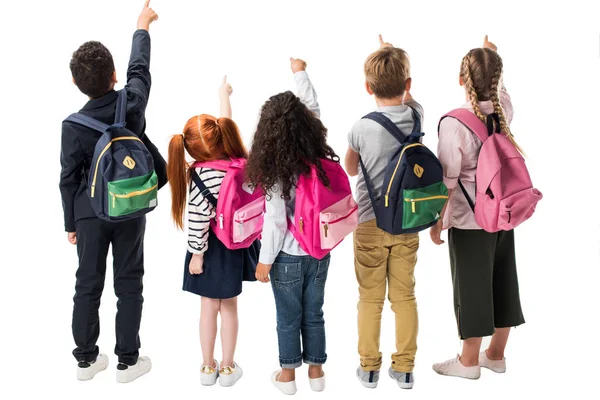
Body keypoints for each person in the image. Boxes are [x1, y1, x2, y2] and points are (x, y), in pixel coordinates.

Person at [59, 0, 163, 383]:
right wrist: (142, 26)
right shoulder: (131, 102)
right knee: (129, 281)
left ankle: (86, 360)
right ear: (115, 75)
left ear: (75, 83)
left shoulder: (72, 125)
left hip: (88, 212)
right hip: (130, 204)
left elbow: (68, 178)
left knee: (87, 283)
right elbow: (141, 68)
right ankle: (128, 361)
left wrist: (70, 221)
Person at [430, 35, 525, 379]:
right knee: (503, 281)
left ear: (461, 80)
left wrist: (438, 222)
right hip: (504, 215)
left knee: (471, 286)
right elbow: (501, 94)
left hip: (470, 220)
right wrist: (493, 57)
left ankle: (469, 361)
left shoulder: (454, 124)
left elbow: (448, 180)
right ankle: (496, 354)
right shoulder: (504, 112)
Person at [248, 58, 333, 395]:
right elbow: (311, 107)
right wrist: (300, 72)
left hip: (287, 257)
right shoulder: (314, 150)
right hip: (321, 250)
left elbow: (275, 221)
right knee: (314, 313)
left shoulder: (274, 170)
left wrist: (264, 260)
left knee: (288, 318)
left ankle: (287, 376)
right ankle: (316, 372)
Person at [167, 76, 259, 387]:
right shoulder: (238, 164)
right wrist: (224, 96)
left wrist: (196, 254)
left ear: (191, 150)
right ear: (223, 140)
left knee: (208, 306)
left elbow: (197, 219)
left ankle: (207, 367)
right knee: (229, 306)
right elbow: (227, 123)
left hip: (207, 248)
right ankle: (229, 367)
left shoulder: (199, 177)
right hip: (235, 244)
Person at [344, 35, 424, 390]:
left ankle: (369, 368)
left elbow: (349, 168)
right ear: (408, 84)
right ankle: (405, 369)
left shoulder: (361, 127)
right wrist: (393, 55)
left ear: (366, 87)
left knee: (370, 298)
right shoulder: (415, 114)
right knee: (405, 296)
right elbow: (411, 99)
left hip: (369, 222)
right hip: (408, 219)